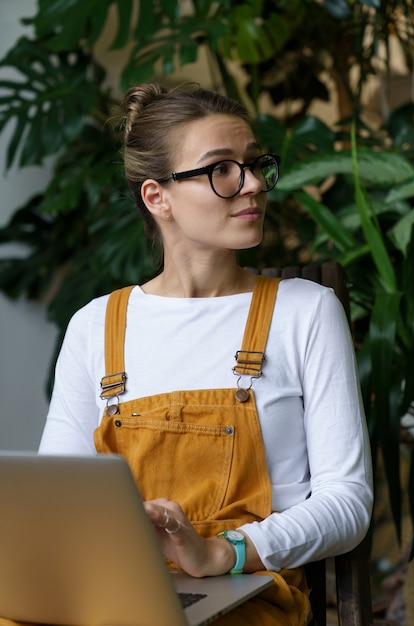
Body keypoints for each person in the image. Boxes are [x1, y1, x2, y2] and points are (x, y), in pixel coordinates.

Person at [35, 83, 371, 625]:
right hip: (115, 593)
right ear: (156, 197)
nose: (255, 183)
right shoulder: (96, 326)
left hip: (245, 594)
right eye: (222, 169)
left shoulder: (306, 312)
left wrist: (223, 552)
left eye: (255, 163)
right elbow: (55, 502)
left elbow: (347, 504)